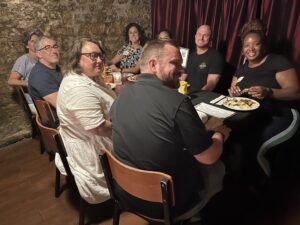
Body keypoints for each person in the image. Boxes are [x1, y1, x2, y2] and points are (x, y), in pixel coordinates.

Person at [110, 40, 231, 219]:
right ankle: (198, 215)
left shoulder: (121, 96)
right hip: (166, 205)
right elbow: (208, 156)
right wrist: (220, 134)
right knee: (219, 167)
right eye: (175, 63)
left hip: (126, 194)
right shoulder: (178, 102)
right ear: (153, 65)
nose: (182, 70)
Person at [228, 19, 300, 177]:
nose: (251, 49)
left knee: (254, 147)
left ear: (263, 45)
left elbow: (295, 92)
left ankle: (262, 186)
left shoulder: (277, 61)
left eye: (256, 44)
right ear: (242, 49)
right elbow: (233, 93)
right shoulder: (242, 69)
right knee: (230, 137)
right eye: (246, 45)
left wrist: (269, 92)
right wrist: (234, 93)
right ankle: (241, 178)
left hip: (281, 115)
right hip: (253, 117)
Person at [56, 38, 116, 204]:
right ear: (77, 57)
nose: (99, 60)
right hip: (93, 147)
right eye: (93, 56)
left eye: (100, 56)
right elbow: (98, 128)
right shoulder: (78, 88)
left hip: (87, 136)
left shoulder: (82, 76)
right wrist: (125, 128)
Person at [7, 29, 44, 113]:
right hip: (34, 102)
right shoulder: (24, 60)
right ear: (27, 45)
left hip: (46, 97)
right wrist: (29, 83)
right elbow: (11, 81)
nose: (35, 43)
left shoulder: (43, 58)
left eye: (37, 40)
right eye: (32, 41)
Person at [186, 25, 223, 93]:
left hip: (203, 97)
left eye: (205, 35)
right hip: (187, 95)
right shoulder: (190, 55)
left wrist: (197, 95)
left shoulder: (216, 57)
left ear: (210, 39)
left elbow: (211, 84)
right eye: (199, 34)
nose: (201, 38)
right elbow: (183, 77)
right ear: (195, 36)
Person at [28, 35, 62, 108]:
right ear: (39, 54)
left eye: (55, 46)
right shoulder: (39, 76)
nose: (54, 51)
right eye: (47, 48)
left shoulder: (57, 68)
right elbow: (62, 105)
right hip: (60, 117)